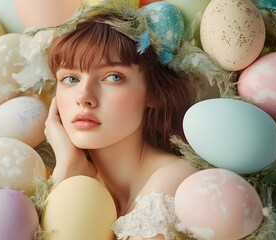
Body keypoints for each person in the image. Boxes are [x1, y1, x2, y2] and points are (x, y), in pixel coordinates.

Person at [43, 4, 198, 240]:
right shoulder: (79, 186)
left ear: (153, 93)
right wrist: (66, 166)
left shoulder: (175, 180)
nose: (84, 97)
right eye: (70, 78)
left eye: (113, 77)